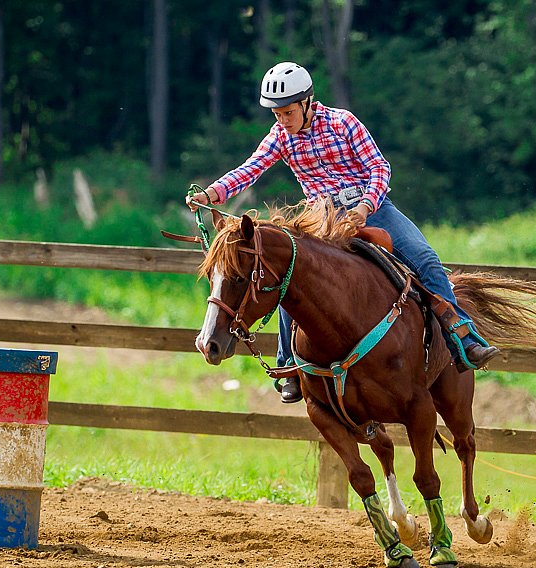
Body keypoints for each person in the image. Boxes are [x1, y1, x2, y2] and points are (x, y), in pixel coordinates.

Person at [188, 61, 498, 403]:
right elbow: (250, 170)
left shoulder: (343, 123)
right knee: (291, 273)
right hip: (322, 220)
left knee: (425, 259)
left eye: (288, 112)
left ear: (307, 102)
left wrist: (364, 207)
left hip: (372, 209)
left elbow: (379, 167)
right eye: (276, 114)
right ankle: (289, 365)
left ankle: (463, 339)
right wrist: (211, 194)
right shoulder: (279, 136)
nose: (282, 120)